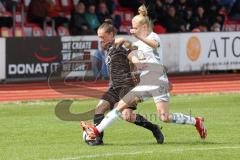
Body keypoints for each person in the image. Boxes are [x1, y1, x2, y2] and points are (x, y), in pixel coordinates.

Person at [81, 5, 207, 142]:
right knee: (121, 107)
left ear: (144, 27)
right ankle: (96, 131)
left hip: (158, 78)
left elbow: (154, 44)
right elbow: (131, 50)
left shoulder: (153, 36)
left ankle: (196, 121)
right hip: (146, 80)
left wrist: (136, 39)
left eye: (134, 26)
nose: (132, 29)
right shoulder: (137, 43)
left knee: (165, 117)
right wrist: (124, 42)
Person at [82, 19, 164, 146]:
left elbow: (131, 51)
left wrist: (137, 62)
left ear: (110, 34)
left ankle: (154, 128)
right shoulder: (109, 49)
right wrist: (132, 70)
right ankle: (98, 139)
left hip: (125, 86)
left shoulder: (118, 45)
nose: (100, 40)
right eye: (99, 37)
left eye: (102, 37)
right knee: (100, 108)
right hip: (113, 87)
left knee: (127, 115)